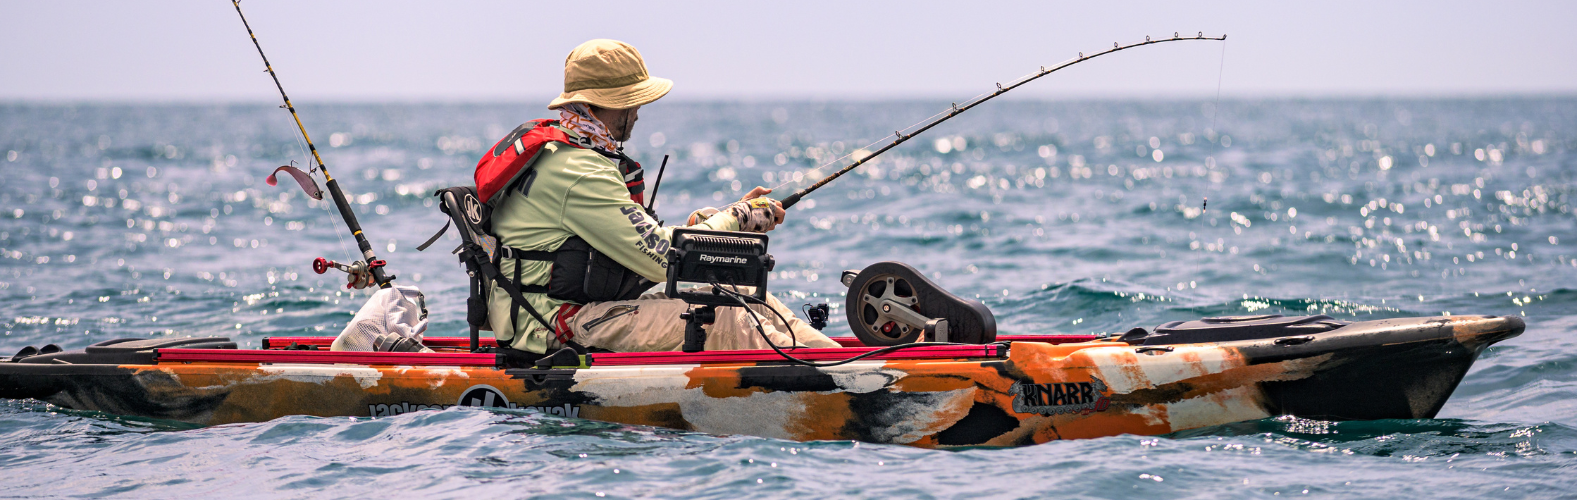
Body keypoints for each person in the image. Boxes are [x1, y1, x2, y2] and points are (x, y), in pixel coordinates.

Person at [483, 39, 840, 354]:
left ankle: (846, 364)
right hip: (553, 324)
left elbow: (634, 242)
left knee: (748, 299)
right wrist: (738, 219)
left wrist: (708, 226)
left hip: (584, 308)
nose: (638, 113)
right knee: (725, 319)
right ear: (607, 105)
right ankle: (844, 385)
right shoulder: (580, 173)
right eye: (633, 103)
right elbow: (662, 261)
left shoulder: (565, 155)